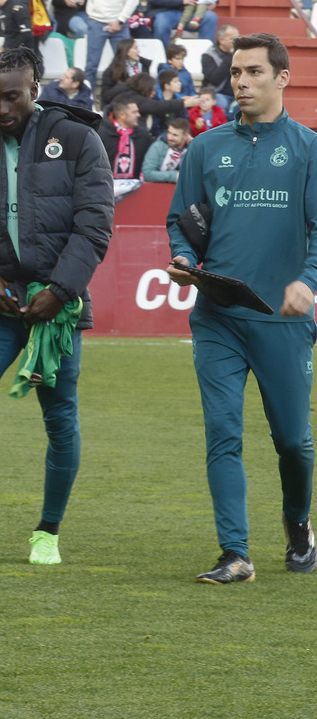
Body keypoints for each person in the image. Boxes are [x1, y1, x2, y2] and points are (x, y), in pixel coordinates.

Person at [0, 46, 113, 568]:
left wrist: (60, 290)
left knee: (60, 419)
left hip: (54, 308)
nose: (2, 108)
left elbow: (95, 224)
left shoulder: (79, 140)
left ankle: (48, 533)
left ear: (35, 87)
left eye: (12, 96)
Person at [166, 33, 317, 584]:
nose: (242, 82)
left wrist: (309, 282)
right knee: (223, 432)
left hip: (285, 321)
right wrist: (183, 257)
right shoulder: (206, 149)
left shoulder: (309, 149)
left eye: (254, 72)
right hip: (218, 317)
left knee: (294, 443)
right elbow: (180, 220)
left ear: (282, 78)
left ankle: (299, 525)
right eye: (235, 73)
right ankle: (235, 552)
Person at [97, 96, 150, 191]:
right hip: (104, 188)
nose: (138, 115)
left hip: (134, 190)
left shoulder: (143, 135)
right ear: (122, 115)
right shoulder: (101, 134)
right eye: (134, 112)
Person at [99, 37, 148, 105]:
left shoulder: (144, 66)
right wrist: (127, 85)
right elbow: (106, 96)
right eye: (135, 48)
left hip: (142, 104)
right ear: (127, 51)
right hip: (121, 106)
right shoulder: (112, 71)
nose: (138, 51)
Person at [202, 23, 238, 114]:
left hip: (238, 93)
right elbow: (215, 79)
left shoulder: (240, 54)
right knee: (222, 104)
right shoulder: (208, 56)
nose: (236, 42)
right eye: (233, 39)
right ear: (221, 40)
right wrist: (230, 56)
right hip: (217, 93)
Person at [141, 116, 189, 184]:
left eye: (175, 135)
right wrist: (174, 176)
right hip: (157, 189)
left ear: (185, 136)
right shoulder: (157, 147)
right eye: (169, 133)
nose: (170, 137)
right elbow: (148, 174)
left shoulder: (190, 150)